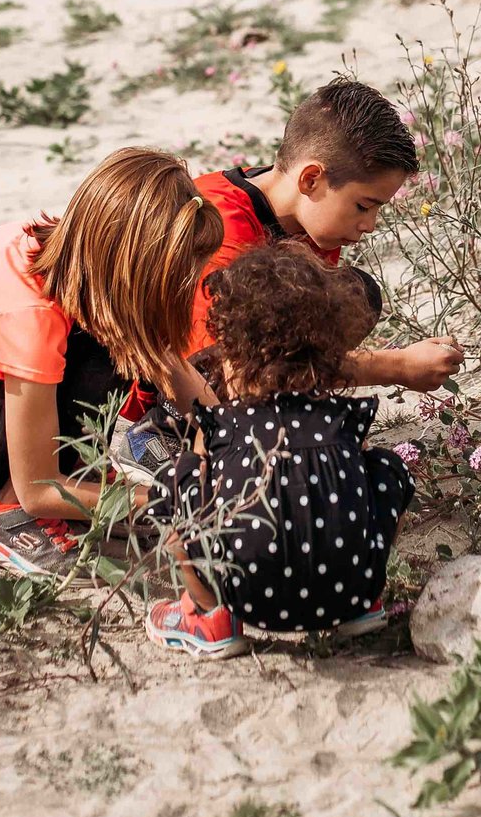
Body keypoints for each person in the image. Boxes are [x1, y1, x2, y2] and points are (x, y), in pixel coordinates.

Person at [0, 147, 223, 576]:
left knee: (123, 333)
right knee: (108, 359)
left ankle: (77, 483)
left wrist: (226, 429)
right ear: (129, 263)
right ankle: (1, 516)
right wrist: (171, 501)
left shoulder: (70, 248)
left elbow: (164, 358)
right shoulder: (30, 319)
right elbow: (39, 489)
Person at [116, 76, 462, 479]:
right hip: (162, 379)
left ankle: (276, 427)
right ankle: (163, 436)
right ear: (311, 179)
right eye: (364, 205)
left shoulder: (309, 219)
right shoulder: (218, 229)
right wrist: (396, 368)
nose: (370, 224)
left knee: (354, 295)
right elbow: (236, 368)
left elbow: (295, 342)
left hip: (235, 368)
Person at [144, 241, 416, 659]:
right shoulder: (340, 416)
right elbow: (350, 481)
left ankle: (207, 614)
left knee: (174, 482)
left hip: (248, 597)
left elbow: (200, 479)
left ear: (233, 354)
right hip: (350, 591)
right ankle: (367, 607)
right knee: (385, 466)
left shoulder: (225, 425)